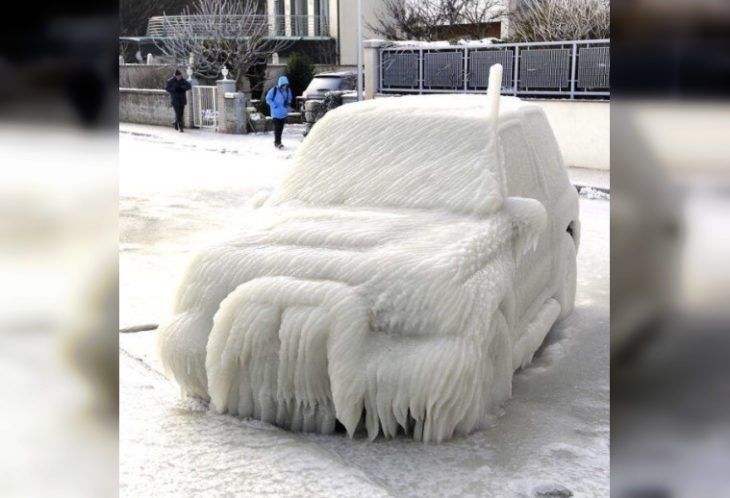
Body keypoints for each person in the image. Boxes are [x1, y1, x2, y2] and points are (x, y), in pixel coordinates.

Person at [265, 76, 293, 149]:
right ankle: (277, 143)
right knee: (277, 128)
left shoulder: (288, 90)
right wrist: (274, 105)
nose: (285, 87)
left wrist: (288, 102)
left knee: (280, 128)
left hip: (283, 113)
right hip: (275, 113)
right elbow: (268, 99)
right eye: (284, 85)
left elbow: (290, 98)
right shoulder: (274, 90)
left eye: (286, 85)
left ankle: (279, 142)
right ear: (280, 84)